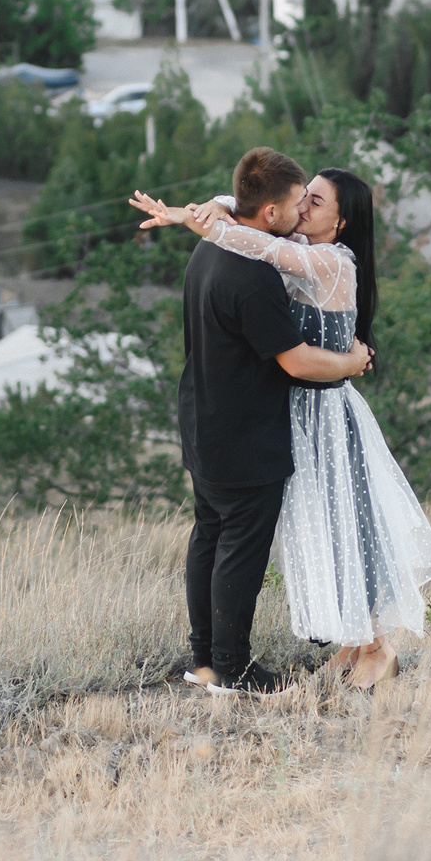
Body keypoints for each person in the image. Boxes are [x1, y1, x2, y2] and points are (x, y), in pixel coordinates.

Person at [133, 166, 431, 691]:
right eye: (301, 200)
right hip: (290, 419)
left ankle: (373, 647)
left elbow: (266, 244)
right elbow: (249, 208)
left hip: (324, 419)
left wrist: (194, 219)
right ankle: (344, 644)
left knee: (346, 529)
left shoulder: (325, 259)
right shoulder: (286, 238)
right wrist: (208, 206)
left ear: (341, 223)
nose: (302, 210)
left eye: (314, 203)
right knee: (320, 532)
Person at [165, 148, 373, 697]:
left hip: (201, 418)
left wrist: (201, 211)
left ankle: (204, 659)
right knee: (240, 550)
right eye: (296, 201)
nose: (302, 209)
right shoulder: (255, 274)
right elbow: (296, 360)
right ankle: (231, 669)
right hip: (244, 432)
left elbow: (237, 213)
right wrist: (353, 362)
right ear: (274, 213)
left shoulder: (209, 250)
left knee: (209, 536)